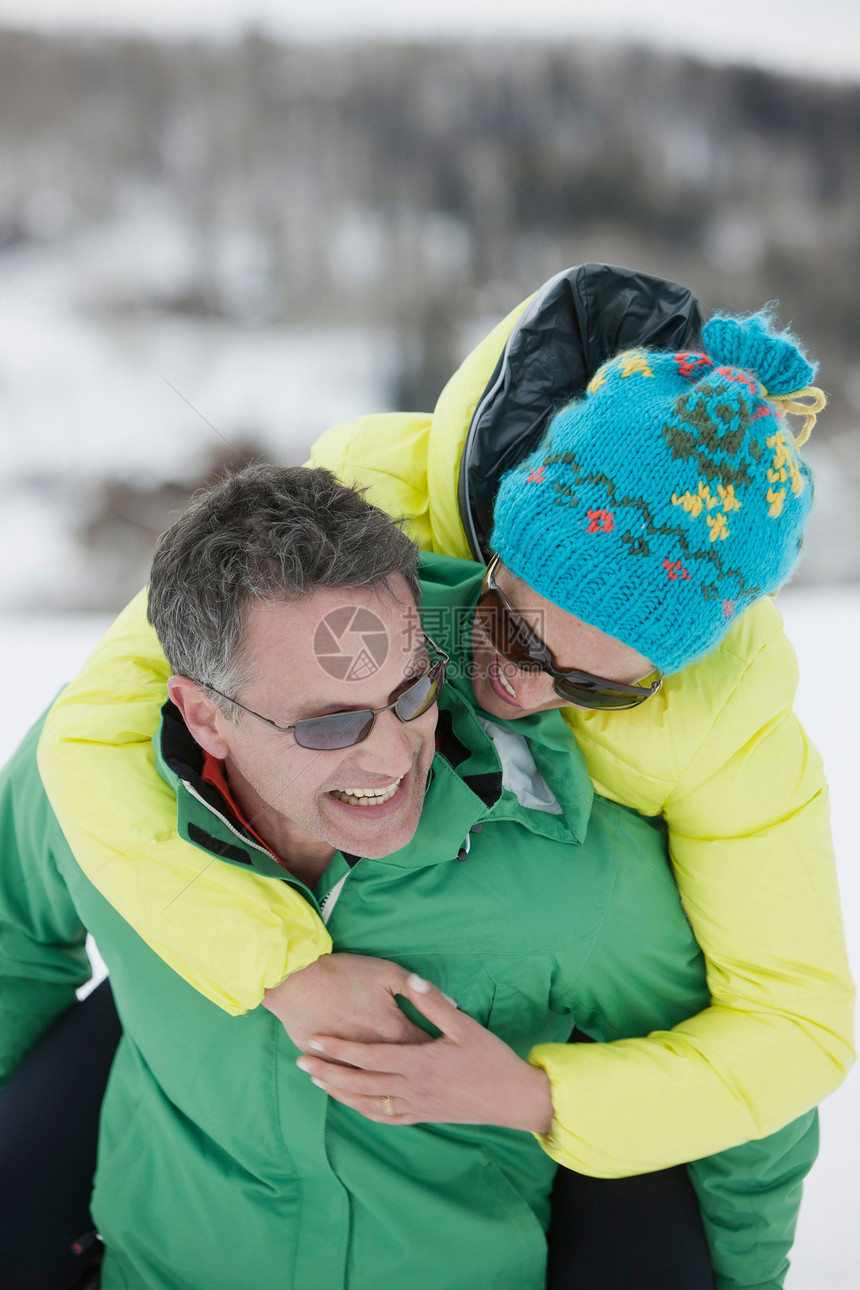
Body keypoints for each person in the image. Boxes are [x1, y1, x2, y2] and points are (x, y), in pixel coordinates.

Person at [33, 282, 853, 1267]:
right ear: (487, 549)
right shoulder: (360, 517)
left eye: (594, 685)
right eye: (505, 628)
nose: (519, 689)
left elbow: (788, 1024)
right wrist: (279, 966)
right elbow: (89, 737)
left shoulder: (707, 726)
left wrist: (542, 1098)